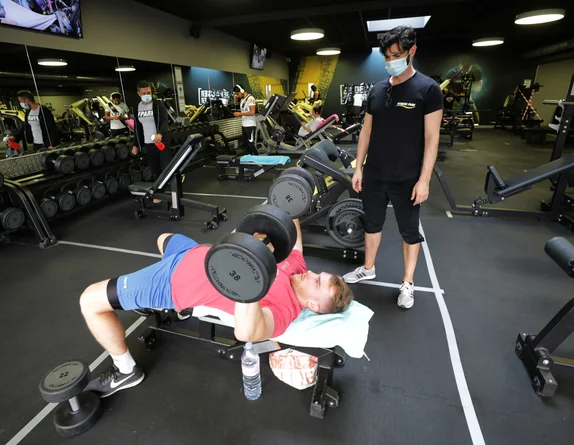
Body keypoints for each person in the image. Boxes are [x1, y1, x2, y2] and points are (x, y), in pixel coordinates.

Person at [79, 218, 354, 397]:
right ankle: (171, 306)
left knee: (89, 300)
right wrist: (290, 209)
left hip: (171, 284)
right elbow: (294, 235)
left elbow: (249, 331)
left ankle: (126, 371)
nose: (312, 274)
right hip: (195, 253)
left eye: (317, 282)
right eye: (320, 274)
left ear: (313, 306)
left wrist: (252, 278)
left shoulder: (283, 311)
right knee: (164, 238)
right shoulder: (298, 269)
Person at [343, 26, 443, 309]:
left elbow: (432, 138)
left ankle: (408, 282)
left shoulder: (428, 89)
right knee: (372, 224)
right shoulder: (377, 89)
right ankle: (368, 267)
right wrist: (359, 167)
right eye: (387, 56)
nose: (391, 61)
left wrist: (424, 179)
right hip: (374, 173)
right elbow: (366, 130)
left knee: (409, 232)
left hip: (407, 177)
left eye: (396, 55)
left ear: (412, 51)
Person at [131, 81, 170, 177]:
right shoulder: (137, 107)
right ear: (138, 93)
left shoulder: (157, 105)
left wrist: (160, 134)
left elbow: (165, 121)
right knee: (155, 170)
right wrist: (136, 145)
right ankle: (159, 190)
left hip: (161, 141)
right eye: (144, 93)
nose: (147, 95)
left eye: (148, 93)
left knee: (167, 168)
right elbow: (137, 127)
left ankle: (172, 188)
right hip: (148, 143)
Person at [232, 85, 258, 155]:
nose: (237, 95)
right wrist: (236, 98)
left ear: (242, 91)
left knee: (251, 144)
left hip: (250, 125)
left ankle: (257, 159)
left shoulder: (250, 98)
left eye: (237, 93)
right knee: (246, 145)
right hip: (244, 125)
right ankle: (250, 161)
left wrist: (240, 114)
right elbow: (237, 104)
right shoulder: (243, 99)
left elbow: (252, 112)